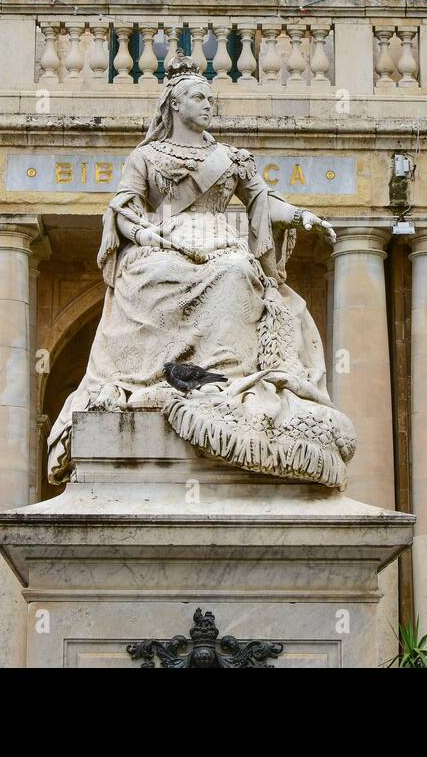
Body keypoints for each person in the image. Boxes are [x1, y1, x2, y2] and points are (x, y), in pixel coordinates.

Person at [45, 53, 357, 487]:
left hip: (219, 243)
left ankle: (222, 377)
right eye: (197, 98)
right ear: (175, 104)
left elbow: (262, 201)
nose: (207, 105)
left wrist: (301, 216)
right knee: (151, 274)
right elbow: (123, 207)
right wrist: (147, 235)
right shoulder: (147, 156)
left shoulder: (230, 157)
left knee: (234, 271)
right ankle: (157, 376)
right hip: (165, 244)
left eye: (210, 99)